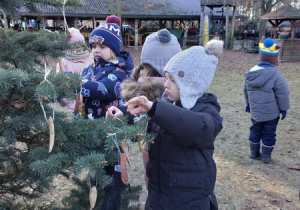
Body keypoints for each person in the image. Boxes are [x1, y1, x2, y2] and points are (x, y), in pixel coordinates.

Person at [108, 39, 224, 209]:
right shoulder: (170, 105)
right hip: (160, 194)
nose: (166, 84)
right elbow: (148, 126)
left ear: (190, 83)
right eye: (166, 77)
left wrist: (155, 109)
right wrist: (124, 117)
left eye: (173, 79)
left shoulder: (207, 112)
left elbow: (194, 127)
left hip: (188, 201)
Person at [111, 28, 181, 189]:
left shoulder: (141, 89)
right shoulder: (182, 88)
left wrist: (120, 112)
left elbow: (133, 118)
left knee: (154, 184)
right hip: (179, 162)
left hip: (151, 152)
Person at [81, 15, 134, 210]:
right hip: (92, 130)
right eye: (93, 46)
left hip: (112, 132)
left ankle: (117, 203)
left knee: (113, 173)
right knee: (97, 170)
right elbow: (82, 99)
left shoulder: (118, 72)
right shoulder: (88, 69)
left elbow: (102, 89)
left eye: (101, 47)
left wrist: (77, 85)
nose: (96, 50)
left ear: (113, 49)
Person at [244, 37, 290, 164]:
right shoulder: (276, 75)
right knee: (269, 134)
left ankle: (254, 153)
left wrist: (248, 104)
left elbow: (245, 90)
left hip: (256, 112)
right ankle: (266, 156)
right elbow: (283, 94)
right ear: (275, 58)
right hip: (271, 114)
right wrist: (284, 108)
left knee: (255, 131)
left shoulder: (251, 74)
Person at [56, 27, 93, 113]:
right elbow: (60, 84)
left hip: (89, 103)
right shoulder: (63, 62)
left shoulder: (89, 59)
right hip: (74, 106)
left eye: (80, 44)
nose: (78, 47)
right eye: (74, 45)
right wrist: (72, 104)